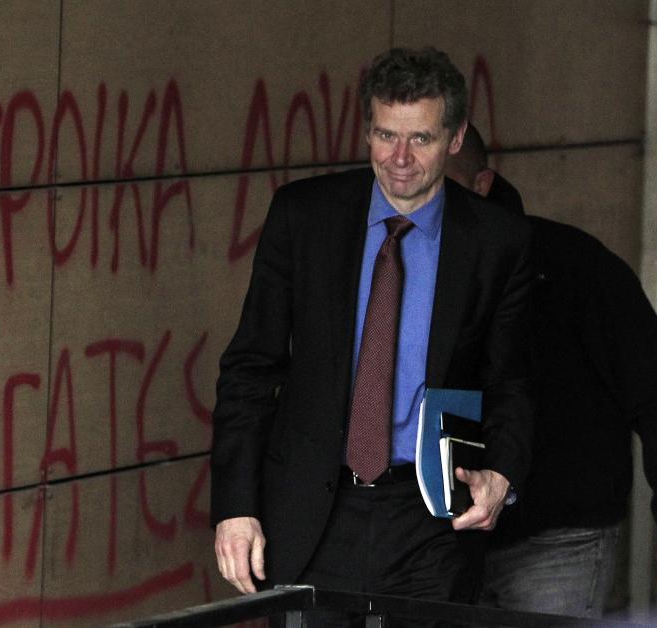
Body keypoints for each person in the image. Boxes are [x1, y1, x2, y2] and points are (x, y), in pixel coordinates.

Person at [210, 47, 534, 611]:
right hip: (311, 507)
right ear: (366, 131)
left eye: (422, 139)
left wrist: (500, 472)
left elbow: (512, 377)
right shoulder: (304, 216)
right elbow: (250, 367)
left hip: (429, 516)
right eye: (386, 136)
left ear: (455, 139)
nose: (400, 158)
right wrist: (235, 507)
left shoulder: (496, 240)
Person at [444, 124, 657, 618]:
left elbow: (654, 391)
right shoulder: (404, 266)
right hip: (444, 541)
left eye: (447, 186)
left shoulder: (571, 264)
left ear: (482, 183)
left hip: (558, 536)